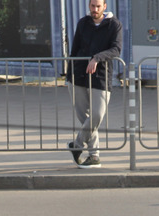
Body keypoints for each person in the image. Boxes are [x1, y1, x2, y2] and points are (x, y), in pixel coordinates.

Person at [66, 0, 122, 169]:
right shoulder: (83, 23)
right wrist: (69, 75)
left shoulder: (114, 25)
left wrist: (97, 58)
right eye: (92, 6)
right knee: (85, 119)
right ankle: (94, 156)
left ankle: (77, 145)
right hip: (78, 76)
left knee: (96, 116)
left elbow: (116, 49)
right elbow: (74, 50)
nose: (95, 9)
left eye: (98, 6)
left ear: (105, 6)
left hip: (101, 77)